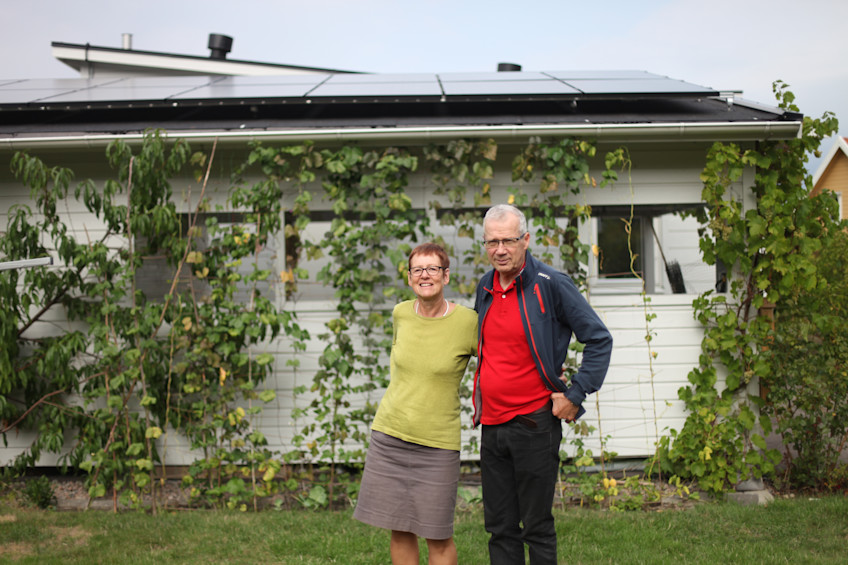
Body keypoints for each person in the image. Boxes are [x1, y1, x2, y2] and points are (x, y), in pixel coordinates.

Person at [473, 204, 613, 565]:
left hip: (534, 423)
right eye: (492, 242)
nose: (500, 250)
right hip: (492, 425)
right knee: (500, 526)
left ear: (526, 240)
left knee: (535, 525)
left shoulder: (551, 285)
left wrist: (575, 393)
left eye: (508, 240)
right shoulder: (484, 287)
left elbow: (598, 339)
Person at [354, 242, 478, 565]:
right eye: (417, 270)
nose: (425, 275)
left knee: (438, 535)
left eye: (433, 269)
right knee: (399, 529)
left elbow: (497, 365)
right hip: (390, 436)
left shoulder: (468, 322)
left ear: (446, 275)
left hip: (437, 444)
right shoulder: (400, 314)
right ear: (410, 278)